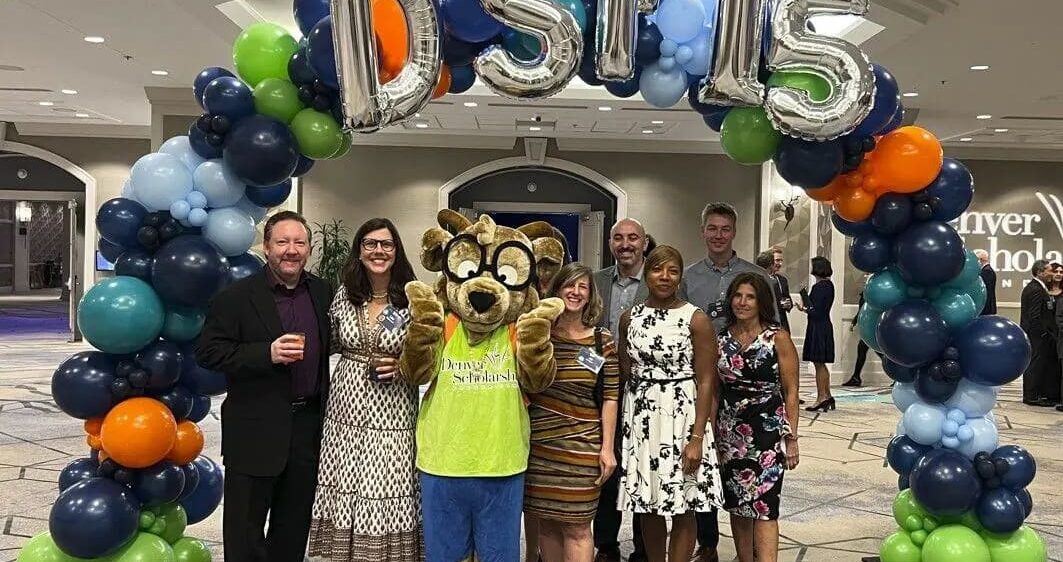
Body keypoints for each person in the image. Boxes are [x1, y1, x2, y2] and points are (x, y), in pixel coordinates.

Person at [198, 211, 333, 562]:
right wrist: (266, 353)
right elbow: (209, 353)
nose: (292, 250)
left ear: (310, 248)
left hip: (307, 427)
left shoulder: (322, 292)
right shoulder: (236, 297)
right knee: (245, 533)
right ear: (267, 247)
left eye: (299, 242)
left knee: (292, 528)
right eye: (283, 242)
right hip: (254, 428)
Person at [307, 218, 422, 561]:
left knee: (388, 484)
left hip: (394, 411)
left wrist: (404, 368)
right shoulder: (344, 293)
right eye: (370, 243)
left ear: (397, 251)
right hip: (345, 408)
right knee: (347, 481)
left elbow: (430, 352)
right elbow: (325, 342)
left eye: (386, 244)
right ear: (359, 250)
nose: (378, 251)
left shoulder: (413, 297)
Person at [679, 202, 776, 562]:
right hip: (701, 382)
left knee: (751, 476)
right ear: (703, 231)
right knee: (704, 463)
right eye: (712, 229)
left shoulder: (756, 276)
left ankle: (748, 552)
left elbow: (772, 328)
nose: (718, 235)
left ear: (734, 233)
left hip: (749, 390)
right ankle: (708, 543)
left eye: (725, 229)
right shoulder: (688, 277)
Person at [618, 245, 724, 562]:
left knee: (683, 504)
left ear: (680, 276)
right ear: (646, 274)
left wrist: (697, 437)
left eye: (672, 271)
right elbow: (625, 370)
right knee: (648, 504)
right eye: (657, 269)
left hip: (683, 418)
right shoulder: (630, 318)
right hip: (642, 419)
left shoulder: (696, 318)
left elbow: (707, 381)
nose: (664, 277)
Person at [524, 263, 620, 562]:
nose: (575, 292)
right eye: (569, 285)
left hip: (582, 447)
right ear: (556, 290)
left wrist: (607, 449)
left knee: (578, 527)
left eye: (583, 287)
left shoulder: (601, 341)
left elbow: (610, 397)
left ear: (591, 296)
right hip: (539, 447)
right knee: (548, 523)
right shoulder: (539, 336)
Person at [716, 273, 800, 562]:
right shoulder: (721, 338)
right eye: (738, 296)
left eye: (749, 296)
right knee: (737, 504)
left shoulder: (777, 337)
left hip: (767, 432)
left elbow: (791, 391)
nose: (742, 302)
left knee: (764, 507)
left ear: (761, 301)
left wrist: (792, 439)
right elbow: (715, 389)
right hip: (729, 432)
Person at [591, 217, 649, 562]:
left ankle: (644, 545)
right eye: (618, 238)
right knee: (607, 467)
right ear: (611, 243)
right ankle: (606, 545)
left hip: (646, 394)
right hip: (602, 393)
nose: (625, 244)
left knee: (642, 467)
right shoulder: (596, 281)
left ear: (644, 242)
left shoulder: (662, 284)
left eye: (632, 238)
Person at [799, 257, 836, 412]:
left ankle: (821, 397)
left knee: (818, 363)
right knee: (821, 363)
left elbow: (816, 311)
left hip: (817, 327)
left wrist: (804, 309)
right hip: (825, 325)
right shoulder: (829, 285)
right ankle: (827, 395)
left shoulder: (819, 287)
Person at [1021, 260, 1056, 407]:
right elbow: (1034, 316)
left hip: (1037, 335)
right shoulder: (1035, 289)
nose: (1052, 273)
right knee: (1034, 364)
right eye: (1049, 270)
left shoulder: (1038, 287)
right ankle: (1031, 396)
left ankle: (1034, 394)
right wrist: (1042, 333)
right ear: (1040, 272)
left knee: (1037, 364)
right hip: (1036, 336)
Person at [842, 285, 879, 388]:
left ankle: (856, 377)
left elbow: (864, 309)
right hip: (869, 327)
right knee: (866, 351)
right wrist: (854, 321)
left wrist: (855, 321)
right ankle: (856, 377)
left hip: (871, 327)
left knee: (877, 352)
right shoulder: (868, 293)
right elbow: (862, 310)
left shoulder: (871, 294)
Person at [754, 251, 790, 333]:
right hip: (762, 324)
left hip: (781, 324)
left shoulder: (782, 280)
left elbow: (786, 298)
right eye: (777, 260)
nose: (780, 263)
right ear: (770, 263)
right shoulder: (756, 280)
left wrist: (788, 304)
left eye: (781, 261)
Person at [976, 250, 997, 316]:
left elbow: (985, 290)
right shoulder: (987, 270)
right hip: (987, 307)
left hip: (986, 307)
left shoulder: (987, 271)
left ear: (980, 260)